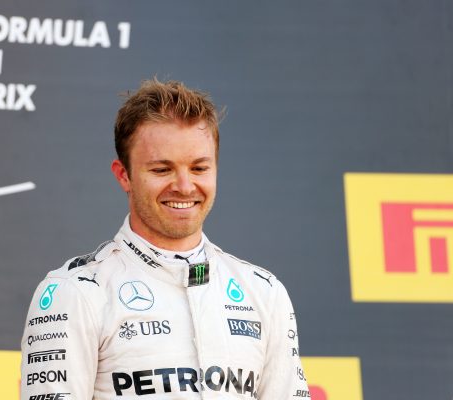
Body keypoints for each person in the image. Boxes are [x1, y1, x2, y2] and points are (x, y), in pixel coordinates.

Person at [21, 79, 309, 399]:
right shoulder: (75, 292)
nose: (185, 186)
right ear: (124, 175)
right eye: (162, 170)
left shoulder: (264, 293)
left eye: (199, 168)